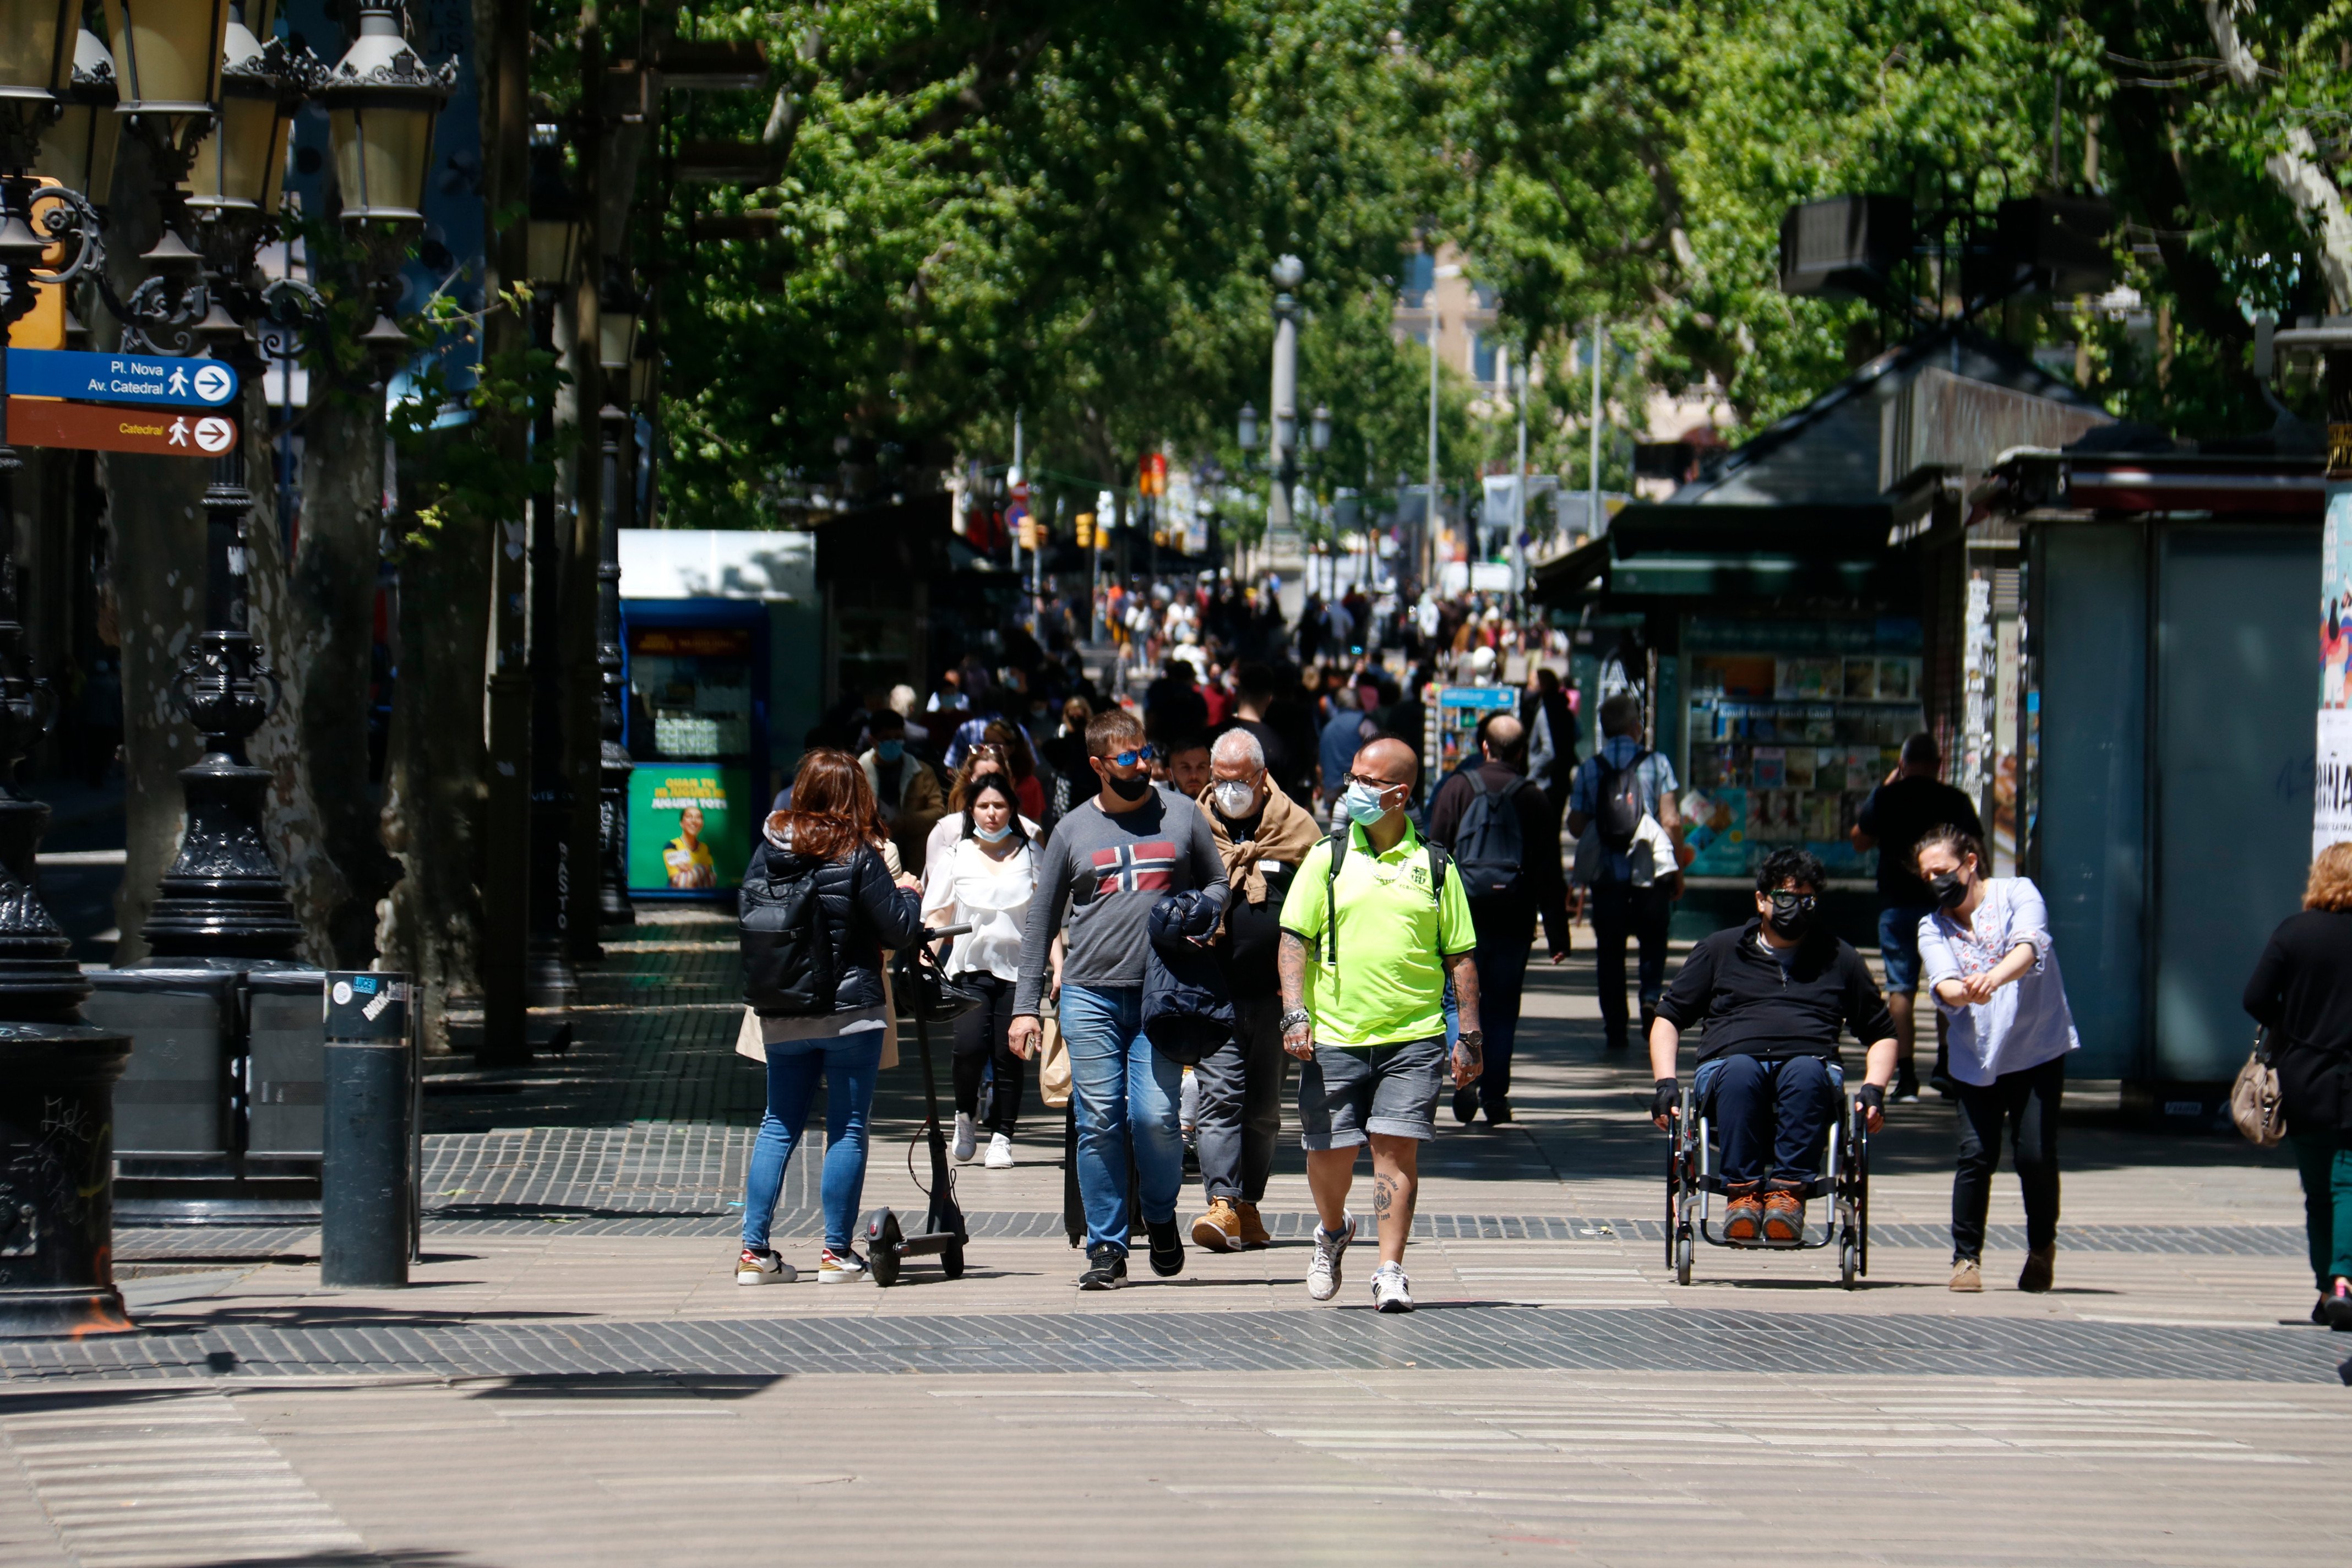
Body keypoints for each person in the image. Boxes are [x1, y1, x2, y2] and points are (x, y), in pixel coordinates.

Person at [1009, 710, 1229, 1289]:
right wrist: (1025, 1004)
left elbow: (1217, 883)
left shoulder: (1182, 815)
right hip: (1089, 995)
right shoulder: (1073, 829)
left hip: (1163, 997)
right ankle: (1106, 1246)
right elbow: (1041, 920)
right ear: (1099, 766)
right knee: (1100, 1118)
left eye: (1144, 752)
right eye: (1127, 756)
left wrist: (1201, 912)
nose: (1141, 764)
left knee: (1155, 1117)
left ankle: (1158, 1215)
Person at [1278, 736, 1484, 1313]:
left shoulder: (1436, 867)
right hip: (1335, 1036)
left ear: (1399, 794)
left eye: (1367, 780)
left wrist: (1468, 1035)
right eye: (1352, 776)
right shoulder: (1329, 856)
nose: (1353, 789)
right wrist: (1295, 1012)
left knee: (1395, 1151)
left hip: (1412, 1037)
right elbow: (1295, 937)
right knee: (1330, 1153)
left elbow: (1460, 955)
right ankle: (1332, 1229)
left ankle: (1390, 1269)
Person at [737, 750, 925, 1286]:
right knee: (846, 1127)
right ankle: (836, 1253)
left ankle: (754, 1253)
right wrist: (910, 894)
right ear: (855, 795)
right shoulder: (857, 852)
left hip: (783, 1010)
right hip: (850, 1012)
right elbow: (898, 930)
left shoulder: (768, 848)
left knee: (778, 1125)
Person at [1648, 847, 1896, 1244]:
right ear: (1761, 900)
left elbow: (1882, 1033)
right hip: (1730, 1068)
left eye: (1806, 900)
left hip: (1811, 1069)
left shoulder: (1840, 958)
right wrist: (1665, 1084)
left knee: (1804, 1069)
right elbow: (1668, 1018)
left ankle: (1787, 1197)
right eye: (1784, 898)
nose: (1794, 908)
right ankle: (1742, 1195)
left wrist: (1874, 1089)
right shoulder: (1719, 950)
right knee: (1742, 1069)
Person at [1914, 824, 2078, 1294]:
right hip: (1977, 1056)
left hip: (2037, 1048)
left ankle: (2041, 1248)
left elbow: (2030, 946)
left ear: (1970, 862)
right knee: (1976, 1155)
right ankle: (1966, 1259)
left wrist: (1995, 977)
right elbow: (1942, 981)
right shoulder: (1933, 925)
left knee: (2036, 1155)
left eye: (1942, 871)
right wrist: (1961, 991)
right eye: (1927, 876)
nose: (1936, 883)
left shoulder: (2017, 893)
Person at [1190, 727, 1321, 1250]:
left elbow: (1320, 912)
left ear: (1263, 777)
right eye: (1219, 780)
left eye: (1239, 780)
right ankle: (1221, 1202)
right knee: (1219, 1096)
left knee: (1264, 1109)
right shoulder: (1194, 827)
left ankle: (1247, 1203)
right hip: (1212, 991)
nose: (1227, 790)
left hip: (1275, 997)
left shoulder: (1300, 831)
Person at [1426, 713, 1574, 1124]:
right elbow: (1549, 870)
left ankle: (1463, 1073)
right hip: (1515, 917)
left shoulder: (1457, 788)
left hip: (1462, 918)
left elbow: (1435, 854)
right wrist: (1558, 934)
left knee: (1457, 1000)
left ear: (1484, 746)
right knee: (1503, 1007)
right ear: (1523, 752)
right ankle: (1495, 1095)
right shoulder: (1533, 798)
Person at [2242, 842, 2352, 1330]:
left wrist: (2292, 1025)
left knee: (2317, 1189)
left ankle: (2327, 1288)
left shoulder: (2296, 932)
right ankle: (2345, 1279)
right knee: (2348, 1180)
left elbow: (2255, 997)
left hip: (2304, 1076)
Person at [1851, 733, 1985, 1101]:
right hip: (1946, 906)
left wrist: (1888, 785)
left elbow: (1859, 839)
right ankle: (1947, 1067)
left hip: (1896, 904)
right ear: (1940, 765)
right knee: (1949, 983)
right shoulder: (1953, 800)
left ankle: (1906, 1076)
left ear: (1903, 763)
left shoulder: (1887, 796)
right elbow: (1978, 849)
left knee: (1900, 989)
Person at [923, 776, 1044, 1170]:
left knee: (1011, 1054)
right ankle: (964, 1114)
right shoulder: (957, 854)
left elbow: (1045, 918)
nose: (991, 814)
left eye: (999, 806)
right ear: (970, 810)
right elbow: (940, 913)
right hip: (969, 969)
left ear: (1012, 809)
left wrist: (1057, 967)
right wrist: (926, 960)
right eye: (983, 806)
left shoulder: (1031, 853)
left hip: (1020, 972)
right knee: (969, 1047)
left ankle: (1003, 1136)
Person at [1568, 693, 1681, 1050]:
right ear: (1636, 727)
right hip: (1650, 875)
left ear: (1603, 729)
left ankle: (1615, 1026)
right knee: (1653, 943)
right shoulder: (1657, 764)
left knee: (1610, 953)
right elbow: (1672, 820)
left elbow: (1575, 824)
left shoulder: (1590, 769)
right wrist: (1676, 866)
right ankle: (1650, 998)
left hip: (1607, 879)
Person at [859, 707, 947, 874]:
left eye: (898, 738)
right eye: (886, 739)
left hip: (914, 859)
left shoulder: (921, 771)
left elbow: (938, 811)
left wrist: (905, 822)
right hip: (872, 857)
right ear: (872, 740)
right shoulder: (859, 773)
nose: (893, 743)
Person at [1316, 688, 1376, 812]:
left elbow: (1320, 765)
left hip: (1333, 792)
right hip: (1358, 791)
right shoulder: (1363, 723)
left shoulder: (1328, 727)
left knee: (1337, 831)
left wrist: (1321, 786)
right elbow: (1378, 750)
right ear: (1357, 701)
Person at [662, 804, 717, 889]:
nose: (694, 821)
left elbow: (712, 881)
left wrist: (690, 870)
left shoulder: (705, 848)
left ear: (702, 823)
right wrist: (702, 869)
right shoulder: (672, 846)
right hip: (676, 898)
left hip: (701, 899)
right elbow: (680, 882)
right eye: (689, 817)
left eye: (698, 817)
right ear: (681, 823)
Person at [1164, 734, 1213, 802]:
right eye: (1186, 768)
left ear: (1211, 771)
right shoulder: (1160, 810)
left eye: (1201, 767)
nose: (1194, 776)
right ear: (1170, 774)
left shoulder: (1221, 809)